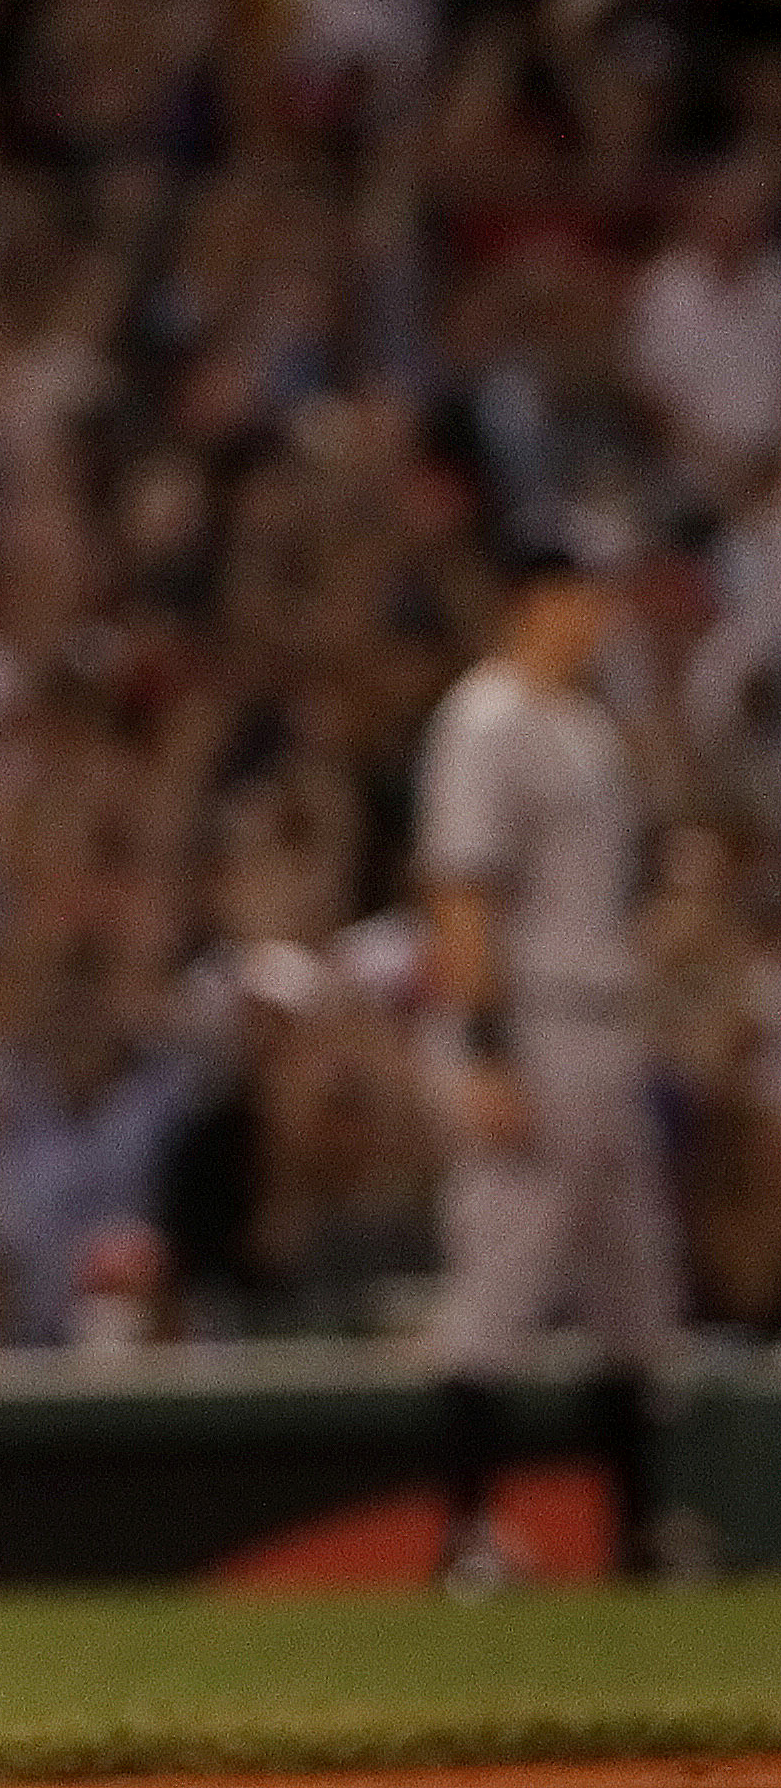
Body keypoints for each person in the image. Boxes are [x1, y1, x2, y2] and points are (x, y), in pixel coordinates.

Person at [412, 526, 683, 1591]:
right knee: (498, 1280)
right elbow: (460, 890)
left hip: (603, 1021)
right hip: (526, 1021)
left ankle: (641, 1534)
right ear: (534, 598)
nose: (598, 611)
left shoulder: (585, 724)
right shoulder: (485, 717)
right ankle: (464, 1533)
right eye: (581, 592)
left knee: (634, 1287)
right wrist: (482, 1053)